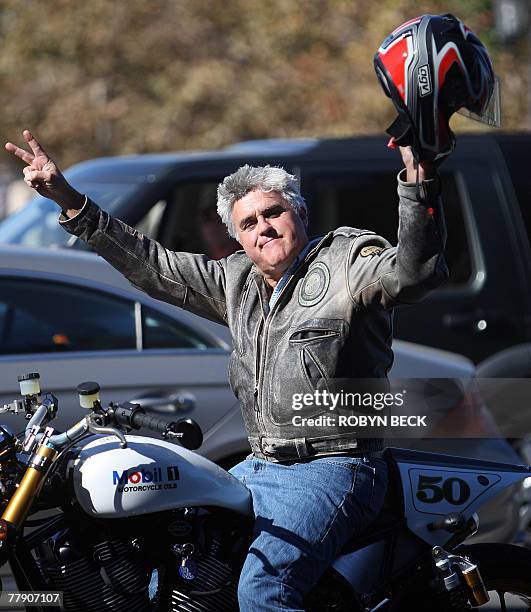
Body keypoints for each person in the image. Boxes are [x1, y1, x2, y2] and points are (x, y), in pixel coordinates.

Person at [5, 129, 447, 610]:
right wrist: (70, 201)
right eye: (249, 223)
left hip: (335, 465)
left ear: (299, 212)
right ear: (238, 237)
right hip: (260, 464)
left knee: (265, 589)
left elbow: (415, 271)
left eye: (274, 212)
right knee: (175, 571)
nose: (264, 228)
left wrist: (418, 177)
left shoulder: (346, 263)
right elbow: (154, 266)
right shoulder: (237, 281)